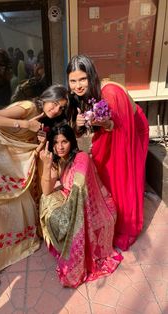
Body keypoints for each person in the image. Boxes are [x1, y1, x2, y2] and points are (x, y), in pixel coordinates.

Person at [0, 85, 68, 288]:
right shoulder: (28, 107)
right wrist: (25, 125)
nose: (56, 110)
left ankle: (16, 246)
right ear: (46, 97)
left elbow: (28, 149)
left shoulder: (42, 121)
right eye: (54, 103)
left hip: (4, 159)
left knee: (19, 200)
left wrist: (38, 141)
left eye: (61, 108)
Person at [66, 54, 149, 251]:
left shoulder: (108, 92)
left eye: (82, 79)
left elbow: (115, 124)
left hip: (132, 130)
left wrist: (106, 124)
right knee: (107, 173)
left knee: (122, 175)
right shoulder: (79, 97)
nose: (77, 85)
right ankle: (111, 214)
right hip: (112, 132)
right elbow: (81, 130)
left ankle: (125, 222)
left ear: (91, 77)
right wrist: (78, 126)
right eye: (73, 80)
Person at [39, 124, 122, 288]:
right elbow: (46, 190)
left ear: (72, 142)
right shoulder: (59, 161)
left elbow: (79, 188)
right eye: (55, 143)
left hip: (92, 206)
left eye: (64, 142)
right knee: (45, 199)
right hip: (72, 201)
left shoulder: (81, 158)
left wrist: (68, 212)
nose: (60, 147)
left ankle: (75, 260)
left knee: (65, 220)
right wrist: (47, 165)